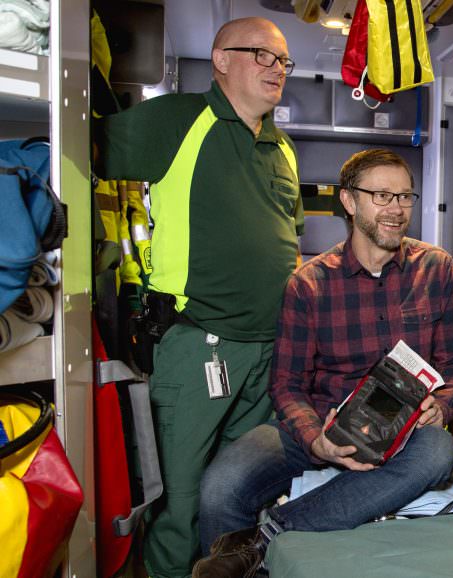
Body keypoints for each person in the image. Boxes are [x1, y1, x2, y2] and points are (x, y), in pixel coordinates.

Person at [193, 149, 453, 576]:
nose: (396, 210)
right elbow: (287, 384)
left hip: (407, 430)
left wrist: (444, 403)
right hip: (323, 421)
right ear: (348, 201)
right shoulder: (308, 284)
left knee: (440, 450)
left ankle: (266, 539)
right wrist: (316, 440)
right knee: (221, 486)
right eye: (381, 196)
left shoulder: (436, 268)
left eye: (404, 197)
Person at [95, 17, 302, 578]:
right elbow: (82, 148)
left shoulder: (282, 147)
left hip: (268, 351)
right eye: (261, 55)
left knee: (240, 492)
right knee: (180, 500)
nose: (276, 69)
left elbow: (287, 236)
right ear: (220, 59)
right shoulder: (180, 119)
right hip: (199, 345)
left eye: (282, 61)